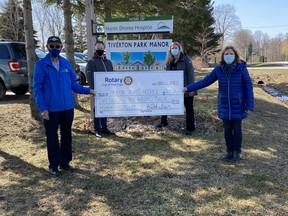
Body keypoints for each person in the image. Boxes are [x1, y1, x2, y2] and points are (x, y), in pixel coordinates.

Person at [33, 36, 95, 176]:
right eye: (51, 46)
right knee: (52, 137)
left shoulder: (66, 64)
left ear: (61, 47)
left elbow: (73, 84)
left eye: (57, 46)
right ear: (47, 48)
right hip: (51, 109)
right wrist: (43, 108)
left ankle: (65, 162)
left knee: (66, 135)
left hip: (67, 108)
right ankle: (54, 165)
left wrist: (88, 90)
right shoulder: (41, 65)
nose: (54, 49)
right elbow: (37, 88)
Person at [184, 46, 254, 162]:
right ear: (222, 56)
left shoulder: (241, 69)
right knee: (227, 129)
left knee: (237, 129)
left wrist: (249, 105)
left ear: (235, 55)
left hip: (239, 105)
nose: (228, 56)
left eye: (231, 54)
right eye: (226, 54)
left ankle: (237, 152)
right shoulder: (219, 69)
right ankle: (229, 152)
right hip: (224, 105)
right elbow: (205, 81)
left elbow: (248, 87)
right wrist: (188, 88)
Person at [156, 42, 196, 135]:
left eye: (176, 48)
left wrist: (191, 89)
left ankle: (190, 128)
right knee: (165, 104)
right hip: (171, 89)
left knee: (189, 108)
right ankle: (163, 122)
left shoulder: (186, 59)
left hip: (185, 88)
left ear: (179, 48)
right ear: (170, 50)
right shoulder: (169, 60)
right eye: (172, 48)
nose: (174, 49)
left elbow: (191, 75)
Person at [86, 41, 115, 138]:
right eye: (98, 49)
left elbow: (112, 76)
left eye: (101, 49)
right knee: (97, 109)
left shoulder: (108, 62)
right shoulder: (91, 62)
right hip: (97, 91)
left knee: (105, 108)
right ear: (95, 49)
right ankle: (97, 129)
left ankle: (104, 128)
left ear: (104, 49)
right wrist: (92, 89)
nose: (100, 50)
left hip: (108, 90)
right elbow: (89, 77)